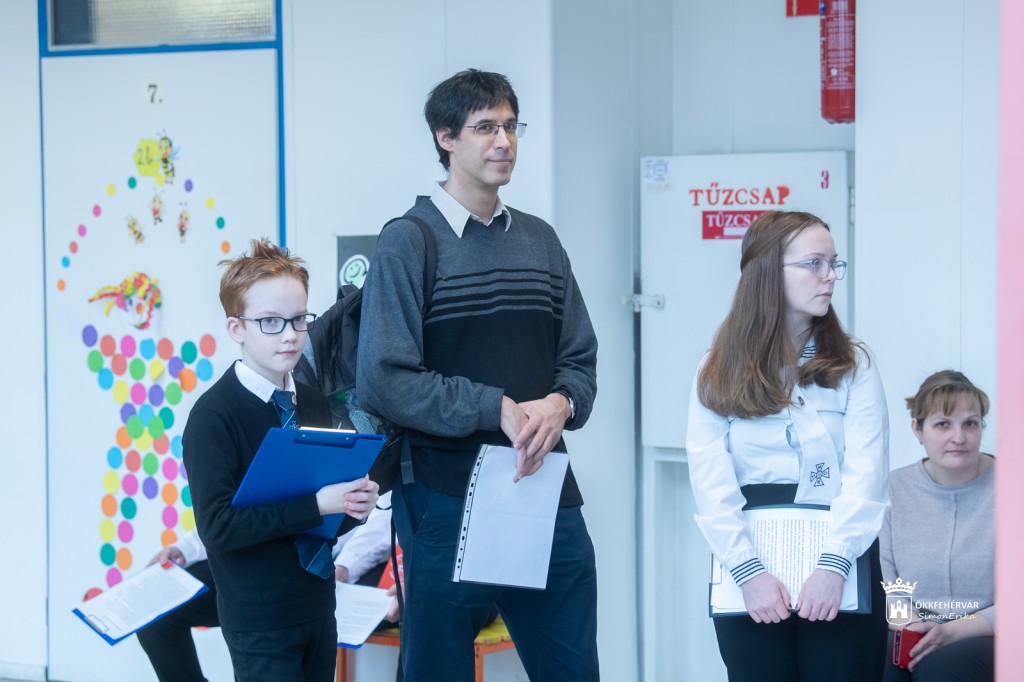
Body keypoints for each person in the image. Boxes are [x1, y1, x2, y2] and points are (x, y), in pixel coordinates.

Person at [356, 68, 599, 681]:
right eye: (486, 127)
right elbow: (384, 378)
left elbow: (580, 358)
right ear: (445, 138)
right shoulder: (409, 242)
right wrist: (495, 407)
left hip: (544, 491)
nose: (504, 142)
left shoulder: (540, 241)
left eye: (511, 127)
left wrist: (561, 403)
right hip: (445, 498)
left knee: (574, 670)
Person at [685, 210, 890, 681]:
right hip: (751, 566)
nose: (829, 276)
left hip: (840, 558)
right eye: (814, 263)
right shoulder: (716, 368)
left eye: (834, 264)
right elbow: (710, 480)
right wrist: (747, 572)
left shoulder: (854, 364)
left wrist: (835, 565)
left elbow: (868, 472)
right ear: (767, 273)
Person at [183, 238, 379, 682]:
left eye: (299, 319)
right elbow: (218, 529)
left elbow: (317, 518)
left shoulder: (311, 401)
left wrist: (354, 507)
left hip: (317, 606)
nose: (290, 334)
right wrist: (319, 503)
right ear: (236, 328)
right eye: (270, 321)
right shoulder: (213, 416)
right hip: (259, 620)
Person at [136, 510, 393, 682]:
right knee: (154, 609)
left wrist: (345, 567)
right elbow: (229, 512)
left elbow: (382, 513)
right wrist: (185, 548)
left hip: (321, 567)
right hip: (247, 560)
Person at [879, 370, 994, 681]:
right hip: (912, 625)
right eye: (943, 424)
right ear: (917, 429)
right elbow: (886, 585)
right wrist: (912, 627)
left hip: (989, 631)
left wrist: (952, 631)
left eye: (970, 423)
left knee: (941, 670)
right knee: (876, 664)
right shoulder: (892, 490)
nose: (959, 437)